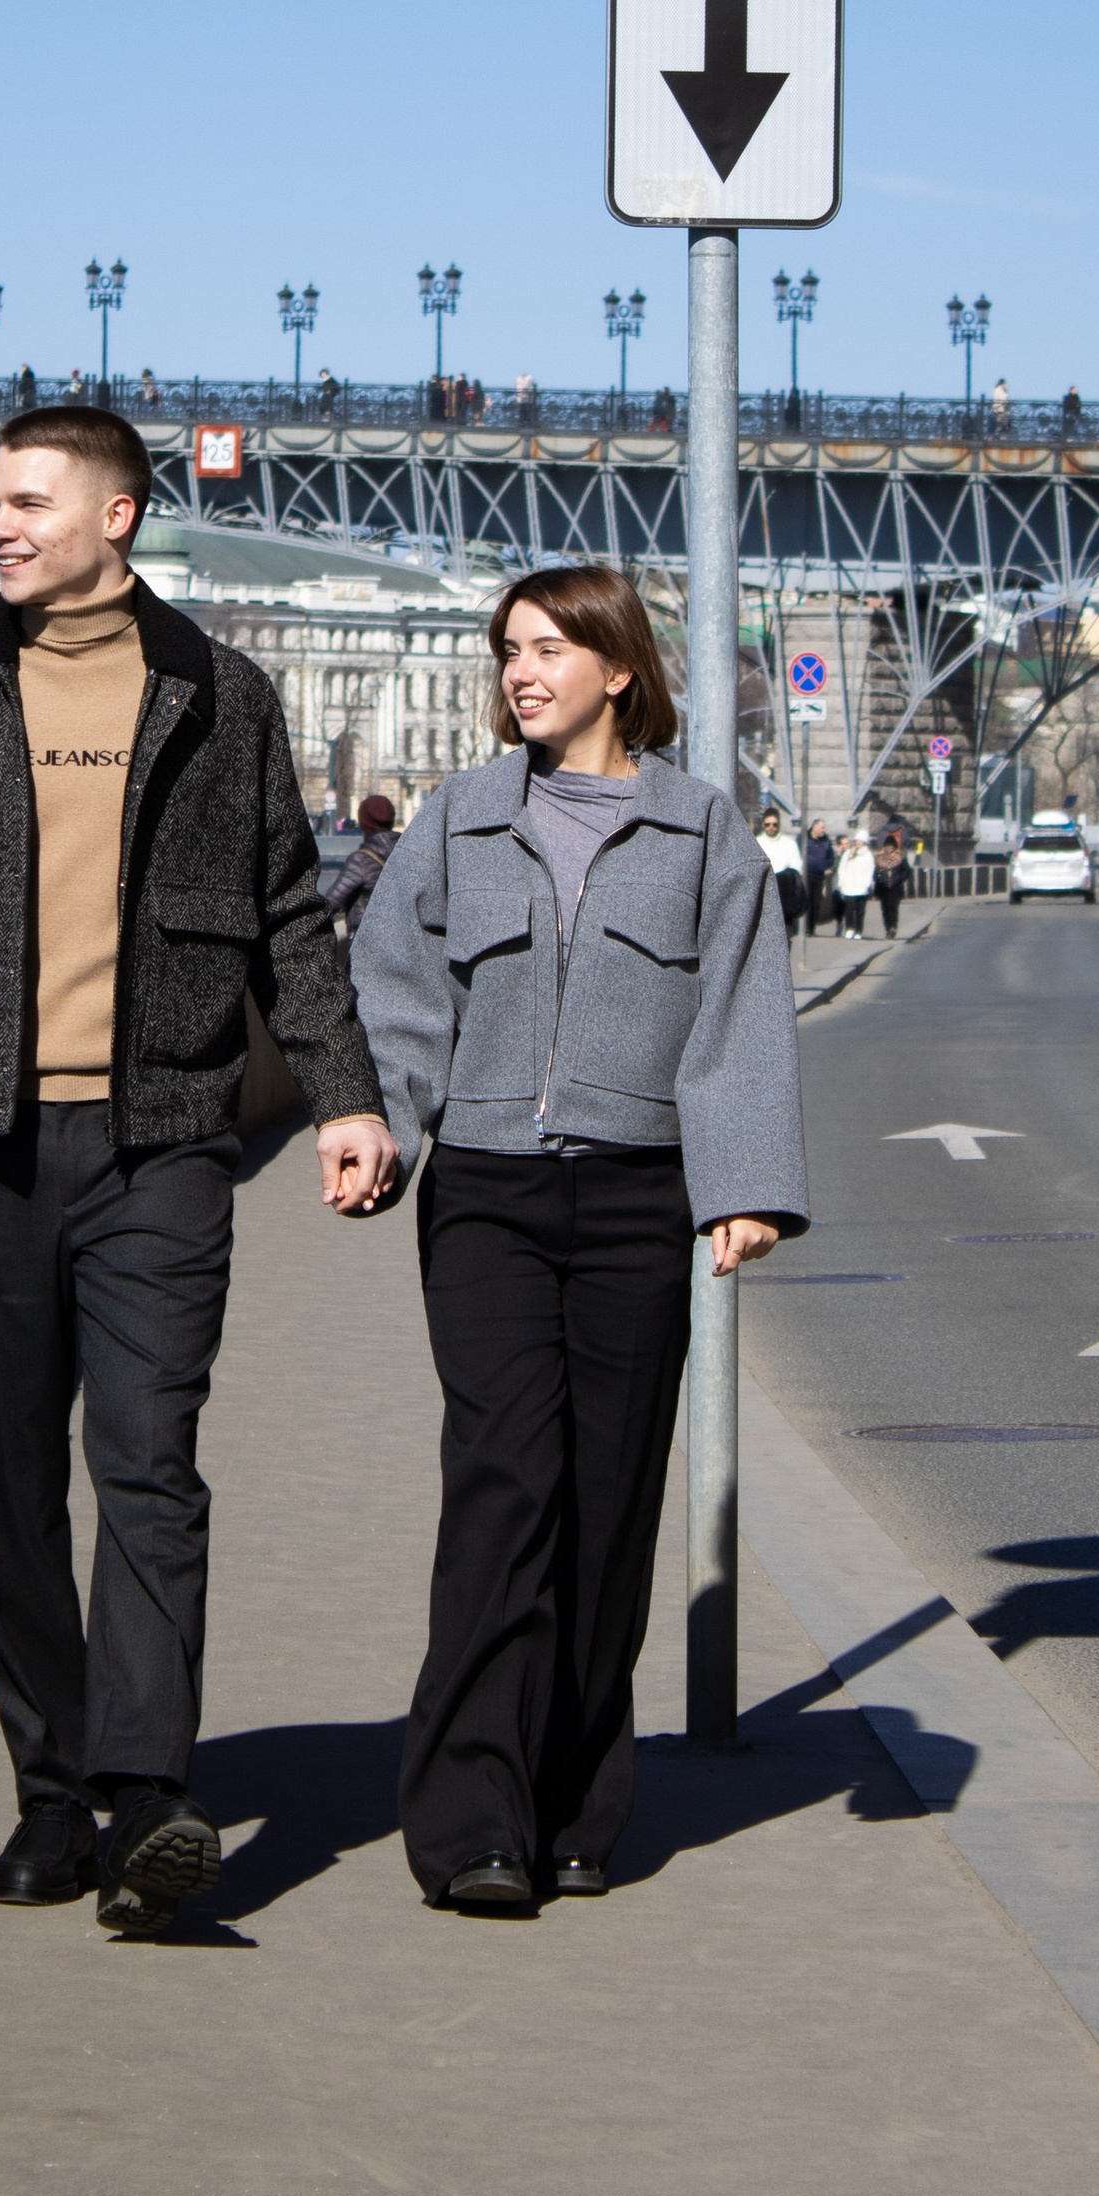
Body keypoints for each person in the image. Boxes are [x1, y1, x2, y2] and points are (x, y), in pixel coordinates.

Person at [0, 404, 398, 1938]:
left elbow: (287, 914)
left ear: (118, 516)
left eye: (24, 502)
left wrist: (342, 1096)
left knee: (148, 1463)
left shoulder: (220, 694)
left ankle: (147, 1797)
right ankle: (51, 1793)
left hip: (161, 1142)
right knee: (9, 1486)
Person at [353, 562, 807, 1914]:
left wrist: (744, 1185)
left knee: (608, 1505)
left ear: (620, 668)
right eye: (509, 650)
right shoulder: (460, 820)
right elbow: (394, 987)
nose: (521, 671)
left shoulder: (700, 833)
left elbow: (737, 1020)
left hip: (632, 1199)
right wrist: (379, 1122)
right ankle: (471, 1823)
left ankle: (573, 1804)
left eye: (550, 648)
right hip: (485, 1194)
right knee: (504, 1490)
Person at [328, 790, 399, 938]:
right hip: (403, 942)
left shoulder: (360, 860)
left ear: (363, 823)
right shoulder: (410, 854)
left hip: (368, 943)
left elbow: (330, 904)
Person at [756, 802, 805, 936]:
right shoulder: (756, 842)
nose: (771, 827)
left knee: (784, 936)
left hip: (784, 895)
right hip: (762, 894)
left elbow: (796, 868)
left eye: (774, 824)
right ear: (763, 825)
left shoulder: (789, 844)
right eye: (767, 824)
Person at [834, 825, 874, 937]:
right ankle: (850, 928)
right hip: (849, 886)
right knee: (849, 909)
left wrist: (867, 884)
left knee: (860, 911)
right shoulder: (848, 853)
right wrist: (842, 882)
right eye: (857, 841)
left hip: (861, 887)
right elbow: (841, 868)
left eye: (861, 841)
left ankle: (858, 930)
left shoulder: (868, 855)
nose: (858, 843)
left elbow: (870, 871)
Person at [872, 823, 911, 938]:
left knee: (889, 908)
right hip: (889, 887)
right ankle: (891, 928)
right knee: (890, 909)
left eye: (890, 846)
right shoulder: (890, 856)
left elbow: (907, 871)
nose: (889, 848)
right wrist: (899, 879)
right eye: (888, 846)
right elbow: (907, 871)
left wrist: (899, 879)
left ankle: (891, 928)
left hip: (890, 887)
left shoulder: (892, 857)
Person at [802, 815, 836, 935]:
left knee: (816, 903)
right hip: (806, 875)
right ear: (814, 827)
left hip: (819, 876)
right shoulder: (804, 839)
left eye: (824, 828)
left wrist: (827, 866)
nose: (824, 830)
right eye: (822, 827)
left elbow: (831, 857)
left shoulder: (826, 841)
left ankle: (811, 929)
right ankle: (804, 928)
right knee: (806, 902)